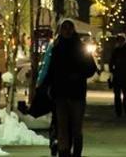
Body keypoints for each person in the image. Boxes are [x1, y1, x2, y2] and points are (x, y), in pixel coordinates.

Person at [39, 19, 97, 157]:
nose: (66, 31)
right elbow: (51, 70)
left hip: (75, 94)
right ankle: (64, 152)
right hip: (61, 94)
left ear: (73, 30)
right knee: (63, 127)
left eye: (69, 28)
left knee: (75, 128)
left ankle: (74, 152)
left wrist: (77, 75)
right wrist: (45, 86)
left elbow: (91, 68)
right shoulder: (56, 48)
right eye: (64, 28)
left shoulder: (79, 47)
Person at [109, 34, 126, 116]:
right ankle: (123, 110)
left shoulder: (119, 51)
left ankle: (120, 110)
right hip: (123, 75)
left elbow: (111, 62)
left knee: (120, 94)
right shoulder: (125, 51)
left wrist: (112, 70)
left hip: (120, 75)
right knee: (122, 94)